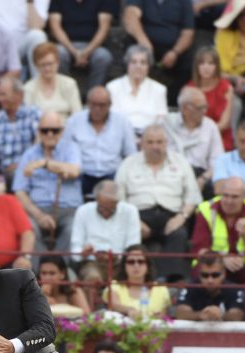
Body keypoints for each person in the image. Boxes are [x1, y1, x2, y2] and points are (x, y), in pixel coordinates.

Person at [115, 123, 201, 281]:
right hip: (139, 216)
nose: (155, 146)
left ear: (166, 143)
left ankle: (164, 279)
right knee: (127, 233)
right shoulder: (128, 164)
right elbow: (119, 197)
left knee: (180, 234)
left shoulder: (180, 162)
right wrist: (134, 221)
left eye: (159, 142)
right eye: (150, 142)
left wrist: (181, 217)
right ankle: (131, 278)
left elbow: (192, 196)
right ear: (141, 144)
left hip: (172, 214)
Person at [12, 111, 82, 254]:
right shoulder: (29, 154)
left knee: (73, 229)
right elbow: (19, 191)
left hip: (68, 211)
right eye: (45, 130)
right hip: (37, 209)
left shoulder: (71, 148)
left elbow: (74, 170)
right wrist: (39, 215)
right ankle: (37, 272)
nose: (50, 134)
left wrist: (44, 163)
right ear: (38, 132)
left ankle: (60, 271)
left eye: (55, 131)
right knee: (28, 228)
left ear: (62, 131)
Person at [191, 176, 245, 285]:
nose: (229, 201)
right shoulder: (205, 210)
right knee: (202, 265)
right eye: (225, 195)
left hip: (243, 263)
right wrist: (222, 259)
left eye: (234, 197)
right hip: (214, 262)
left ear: (244, 197)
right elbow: (199, 250)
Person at [64, 87, 137, 198]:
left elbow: (130, 154)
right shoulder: (74, 121)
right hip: (82, 174)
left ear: (110, 104)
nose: (97, 109)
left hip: (112, 174)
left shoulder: (122, 122)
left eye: (102, 105)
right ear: (87, 103)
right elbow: (65, 151)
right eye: (93, 104)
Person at [69, 179, 142, 288]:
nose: (105, 212)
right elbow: (75, 249)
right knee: (92, 278)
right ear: (96, 199)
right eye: (101, 208)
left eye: (110, 209)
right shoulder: (83, 211)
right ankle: (88, 306)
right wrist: (84, 253)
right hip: (91, 262)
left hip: (121, 264)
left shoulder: (130, 211)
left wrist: (116, 257)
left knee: (124, 280)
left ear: (118, 202)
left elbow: (134, 246)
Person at [123, 0, 195, 101]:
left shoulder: (184, 2)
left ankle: (170, 100)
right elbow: (130, 18)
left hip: (172, 48)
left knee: (190, 64)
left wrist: (175, 52)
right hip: (143, 43)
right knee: (133, 53)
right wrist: (144, 43)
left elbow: (188, 33)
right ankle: (132, 96)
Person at [165, 86, 225, 196]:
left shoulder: (210, 126)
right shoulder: (166, 123)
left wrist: (203, 179)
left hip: (200, 174)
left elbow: (218, 161)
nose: (204, 111)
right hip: (171, 172)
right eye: (200, 108)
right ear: (184, 109)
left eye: (205, 107)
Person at [48, 0, 116, 91]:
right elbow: (55, 27)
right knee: (58, 53)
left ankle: (93, 96)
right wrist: (74, 52)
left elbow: (104, 29)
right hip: (66, 45)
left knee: (103, 56)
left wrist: (86, 52)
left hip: (93, 46)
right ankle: (67, 93)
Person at [106, 45, 169, 136]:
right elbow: (110, 119)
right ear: (127, 65)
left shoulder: (159, 89)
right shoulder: (112, 87)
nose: (138, 66)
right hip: (120, 135)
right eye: (133, 62)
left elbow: (161, 120)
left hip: (149, 138)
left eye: (143, 63)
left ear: (148, 66)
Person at [0, 76, 39, 183]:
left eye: (3, 95)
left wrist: (22, 164)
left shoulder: (33, 115)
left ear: (19, 95)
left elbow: (40, 145)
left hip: (28, 170)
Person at [103, 245, 173, 319]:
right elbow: (114, 305)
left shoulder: (160, 289)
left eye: (141, 261)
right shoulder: (114, 286)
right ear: (124, 266)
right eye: (131, 262)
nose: (136, 265)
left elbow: (164, 316)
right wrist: (129, 310)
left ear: (148, 267)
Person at [187, 46, 234, 151]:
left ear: (217, 66)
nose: (206, 67)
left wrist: (206, 136)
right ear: (196, 66)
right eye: (202, 63)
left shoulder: (226, 87)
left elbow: (225, 123)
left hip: (219, 138)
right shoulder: (189, 89)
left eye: (211, 63)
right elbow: (188, 122)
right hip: (194, 139)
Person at [174, 253, 245, 320]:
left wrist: (220, 314)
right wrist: (200, 315)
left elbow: (237, 315)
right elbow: (180, 313)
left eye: (215, 275)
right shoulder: (190, 287)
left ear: (224, 273)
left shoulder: (234, 289)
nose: (210, 280)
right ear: (199, 274)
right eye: (205, 275)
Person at [22, 42, 81, 119]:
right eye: (43, 65)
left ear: (57, 63)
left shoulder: (69, 84)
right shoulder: (28, 88)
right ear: (36, 66)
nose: (47, 68)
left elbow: (77, 115)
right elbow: (27, 118)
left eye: (50, 64)